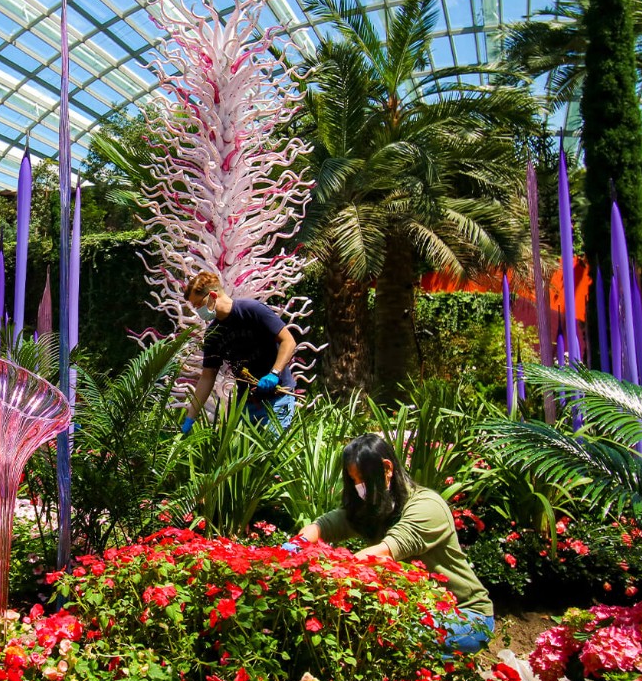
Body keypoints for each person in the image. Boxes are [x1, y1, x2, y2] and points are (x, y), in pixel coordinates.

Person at [290, 434, 494, 653]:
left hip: (467, 616)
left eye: (362, 479)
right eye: (354, 481)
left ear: (387, 468)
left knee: (392, 634)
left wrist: (328, 574)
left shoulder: (427, 507)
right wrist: (294, 547)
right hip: (420, 609)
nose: (359, 487)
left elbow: (383, 553)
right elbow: (328, 524)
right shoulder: (375, 504)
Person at [181, 272, 298, 433]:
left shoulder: (252, 310)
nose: (198, 312)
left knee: (270, 455)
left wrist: (274, 373)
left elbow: (288, 341)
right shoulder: (213, 334)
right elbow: (208, 376)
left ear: (212, 296)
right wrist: (190, 417)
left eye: (198, 305)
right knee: (243, 457)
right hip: (247, 404)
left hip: (277, 398)